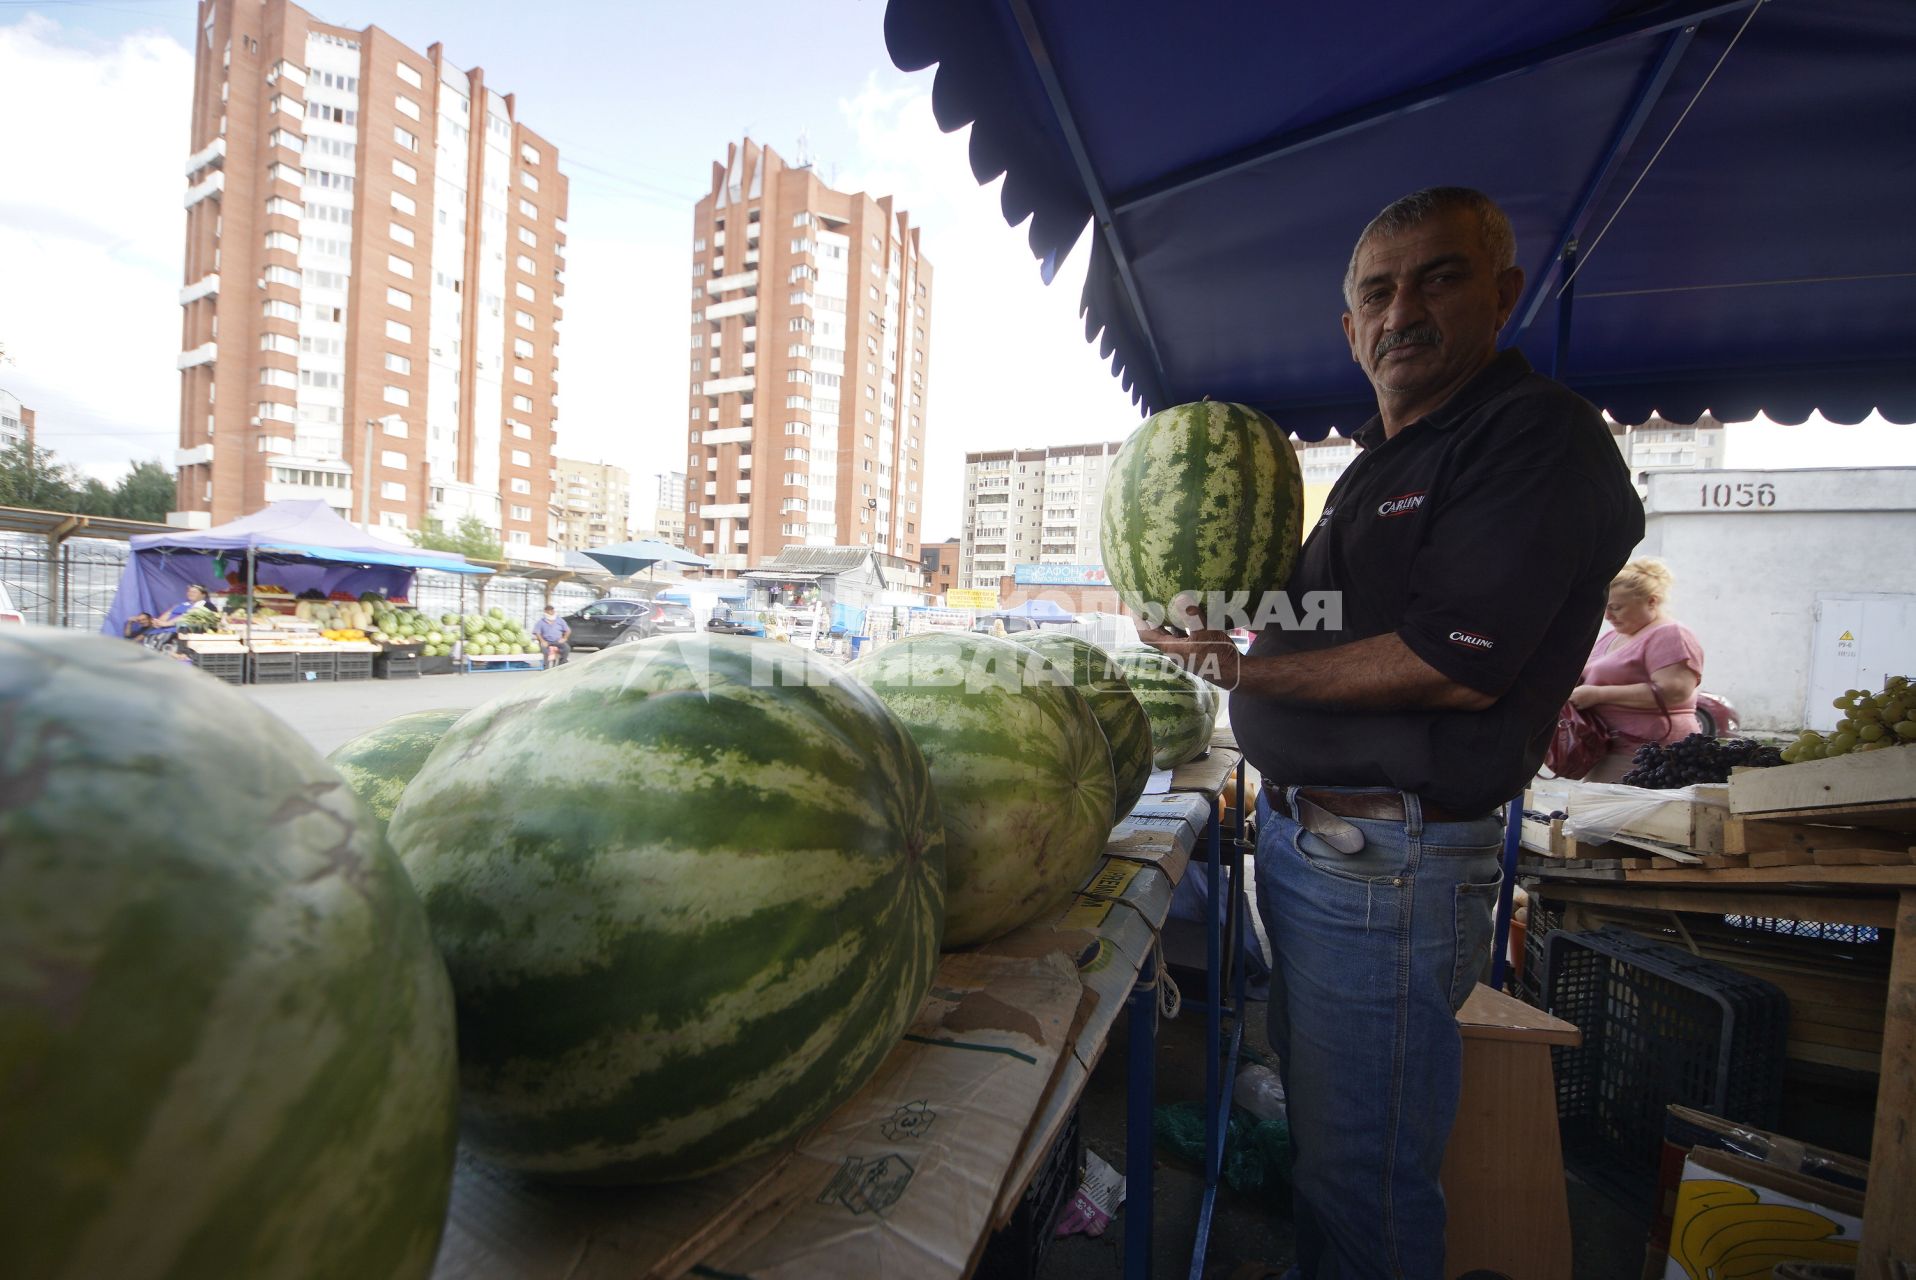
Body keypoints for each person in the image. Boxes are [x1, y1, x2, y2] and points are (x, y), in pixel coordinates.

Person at [1138, 187, 1643, 1277]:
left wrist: (1239, 669)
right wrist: (1219, 611)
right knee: (1332, 1136)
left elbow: (1456, 661)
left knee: (1362, 1173)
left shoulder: (1529, 437)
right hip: (1326, 850)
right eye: (1376, 289)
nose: (1400, 308)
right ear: (1348, 324)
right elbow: (1332, 617)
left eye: (1438, 277)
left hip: (1387, 864)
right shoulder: (1384, 456)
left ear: (1501, 295)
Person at [1569, 558, 1704, 781]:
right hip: (1611, 747)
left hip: (1651, 753)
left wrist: (1597, 695)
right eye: (1605, 607)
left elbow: (1674, 691)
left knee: (1598, 812)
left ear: (1651, 601)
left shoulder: (1670, 634)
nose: (1608, 616)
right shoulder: (1614, 635)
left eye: (1616, 608)